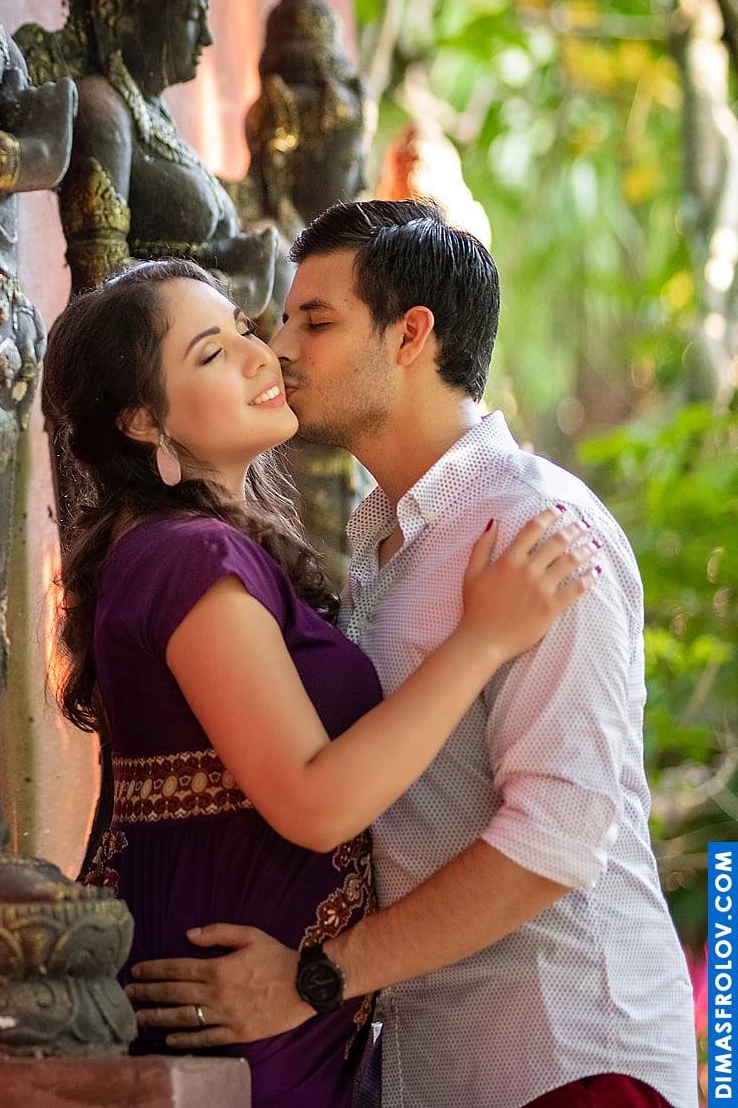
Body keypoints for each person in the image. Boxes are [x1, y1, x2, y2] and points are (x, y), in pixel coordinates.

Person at [126, 201, 698, 1108]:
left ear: (411, 335)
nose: (280, 348)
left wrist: (313, 978)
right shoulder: (382, 545)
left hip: (566, 1058)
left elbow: (556, 836)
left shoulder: (535, 531)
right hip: (438, 1067)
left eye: (315, 322)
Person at [44, 257, 595, 1106]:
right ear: (143, 421)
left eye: (242, 329)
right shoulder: (190, 557)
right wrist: (481, 641)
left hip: (254, 1008)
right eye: (210, 353)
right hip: (237, 1016)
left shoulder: (193, 550)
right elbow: (315, 800)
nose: (261, 353)